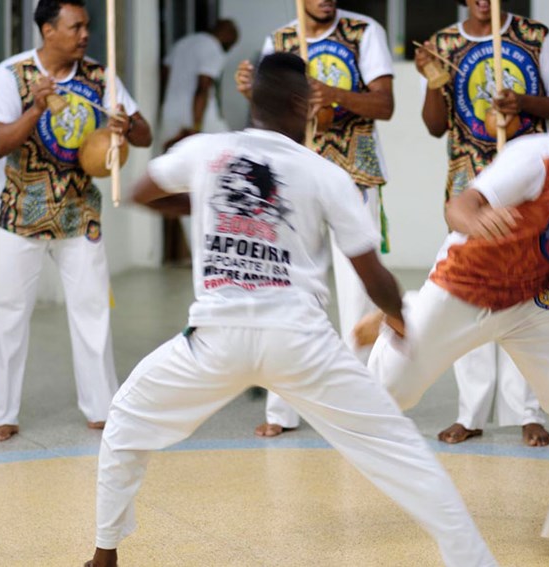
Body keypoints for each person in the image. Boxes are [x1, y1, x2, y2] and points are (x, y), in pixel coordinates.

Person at [83, 52, 497, 567]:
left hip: (216, 341)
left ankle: (104, 555)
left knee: (125, 420)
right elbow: (372, 275)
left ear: (252, 98)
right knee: (403, 454)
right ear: (304, 104)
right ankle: (473, 560)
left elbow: (144, 191)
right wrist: (399, 317)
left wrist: (216, 206)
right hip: (300, 343)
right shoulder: (324, 173)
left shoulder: (207, 150)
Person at [368, 81, 549, 564]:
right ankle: (399, 316)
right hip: (463, 290)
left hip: (526, 300)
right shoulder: (535, 159)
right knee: (391, 392)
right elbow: (458, 206)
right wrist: (475, 221)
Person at [0, 0, 152, 442]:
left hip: (80, 215)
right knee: (7, 315)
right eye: (75, 27)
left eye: (87, 26)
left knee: (93, 311)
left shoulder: (101, 75)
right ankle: (3, 414)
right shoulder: (10, 75)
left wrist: (126, 124)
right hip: (19, 214)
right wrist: (36, 109)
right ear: (47, 30)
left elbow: (145, 134)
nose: (84, 35)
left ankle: (100, 408)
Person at [413, 0, 549, 447]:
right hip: (471, 185)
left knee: (524, 289)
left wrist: (522, 102)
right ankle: (471, 412)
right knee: (469, 290)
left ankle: (526, 411)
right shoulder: (444, 44)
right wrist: (433, 82)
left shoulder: (534, 36)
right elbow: (433, 125)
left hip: (529, 185)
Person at [235, 0, 394, 438]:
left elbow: (385, 105)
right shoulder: (281, 41)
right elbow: (266, 112)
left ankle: (358, 409)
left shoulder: (365, 32)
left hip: (354, 178)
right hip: (292, 182)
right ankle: (282, 409)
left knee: (358, 300)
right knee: (287, 292)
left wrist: (335, 94)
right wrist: (251, 89)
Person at [159, 19, 238, 152]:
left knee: (176, 158)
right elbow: (203, 86)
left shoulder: (183, 43)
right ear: (228, 35)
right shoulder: (213, 48)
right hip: (197, 115)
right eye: (231, 43)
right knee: (229, 150)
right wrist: (197, 125)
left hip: (171, 111)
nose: (228, 48)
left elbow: (164, 73)